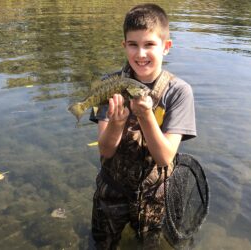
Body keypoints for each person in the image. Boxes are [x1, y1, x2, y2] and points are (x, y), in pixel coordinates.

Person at [89, 3, 197, 249]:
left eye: (149, 44)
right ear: (124, 46)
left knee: (149, 244)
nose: (140, 54)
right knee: (101, 244)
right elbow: (105, 151)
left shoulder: (179, 92)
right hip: (111, 190)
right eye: (133, 45)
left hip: (154, 195)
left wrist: (147, 116)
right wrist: (117, 123)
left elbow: (164, 158)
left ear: (165, 47)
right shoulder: (110, 85)